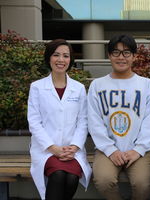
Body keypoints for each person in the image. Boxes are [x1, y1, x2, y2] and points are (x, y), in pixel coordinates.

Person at [87, 34, 150, 200]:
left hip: (140, 149)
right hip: (107, 149)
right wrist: (110, 150)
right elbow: (94, 121)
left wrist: (138, 150)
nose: (121, 57)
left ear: (134, 56)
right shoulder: (97, 85)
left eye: (126, 53)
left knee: (142, 183)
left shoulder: (146, 85)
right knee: (104, 180)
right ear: (109, 55)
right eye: (116, 52)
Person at [27, 39, 92, 200]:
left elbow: (83, 121)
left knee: (71, 179)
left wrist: (75, 146)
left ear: (70, 60)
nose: (61, 60)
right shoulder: (37, 87)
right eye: (56, 55)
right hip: (46, 150)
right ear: (49, 58)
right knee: (58, 175)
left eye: (65, 56)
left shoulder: (78, 88)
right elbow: (34, 123)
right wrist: (52, 148)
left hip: (72, 150)